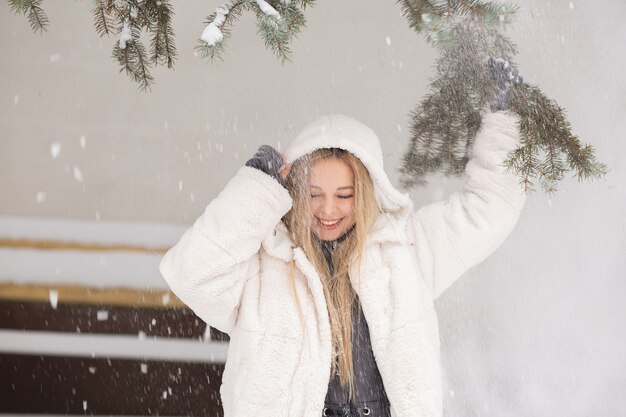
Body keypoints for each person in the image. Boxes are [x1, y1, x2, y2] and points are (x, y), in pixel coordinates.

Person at [160, 63, 526, 417]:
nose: (328, 210)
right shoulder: (266, 262)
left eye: (345, 195)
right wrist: (256, 186)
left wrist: (505, 121)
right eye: (314, 193)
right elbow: (191, 273)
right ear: (294, 190)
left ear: (365, 193)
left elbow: (487, 212)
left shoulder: (403, 250)